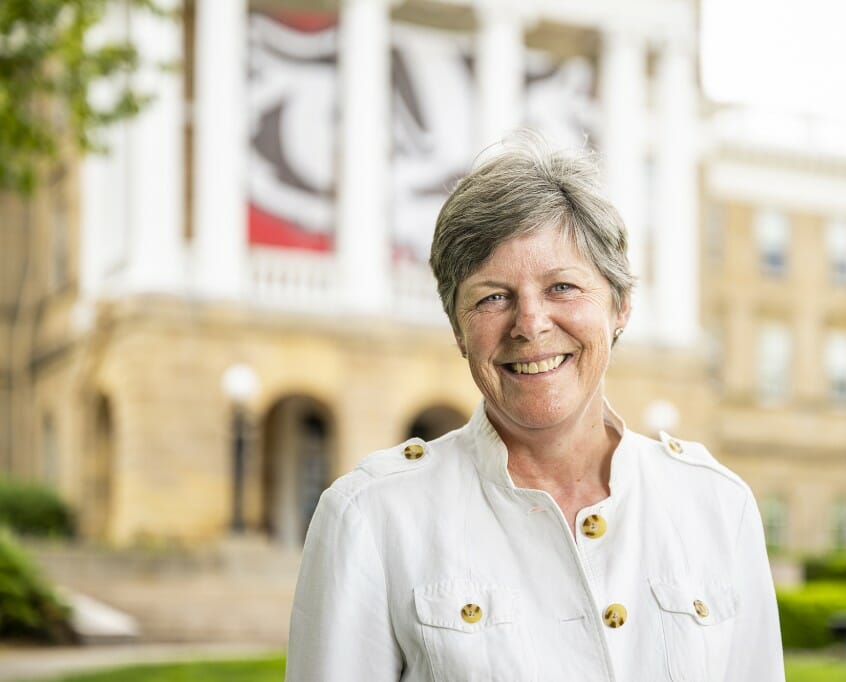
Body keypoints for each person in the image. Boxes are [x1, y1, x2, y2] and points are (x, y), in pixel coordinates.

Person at [285, 133, 785, 681]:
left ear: (620, 306)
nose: (530, 324)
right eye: (492, 296)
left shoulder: (716, 505)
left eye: (563, 287)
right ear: (458, 329)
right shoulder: (372, 517)